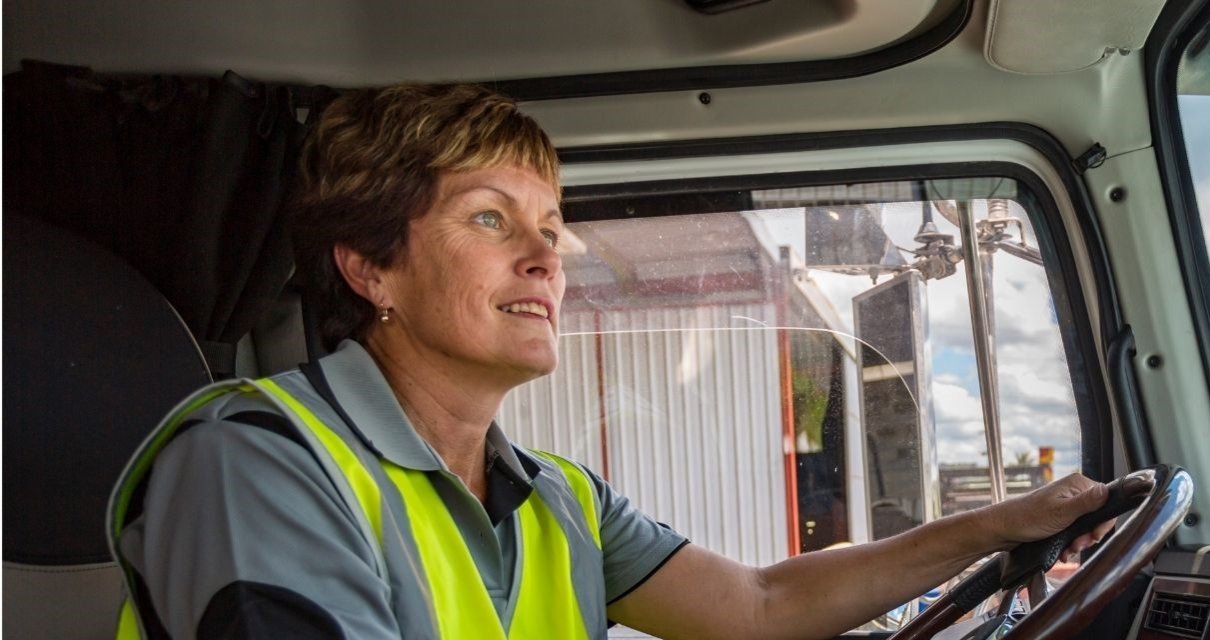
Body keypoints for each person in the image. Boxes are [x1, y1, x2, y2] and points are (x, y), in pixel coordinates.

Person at [108, 83, 1115, 639]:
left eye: (551, 227)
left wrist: (995, 527)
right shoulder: (256, 463)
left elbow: (760, 606)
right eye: (490, 219)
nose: (546, 257)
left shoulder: (557, 499)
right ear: (370, 266)